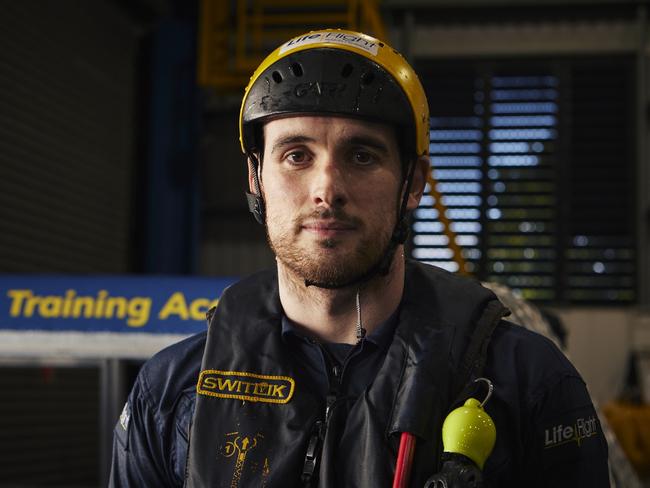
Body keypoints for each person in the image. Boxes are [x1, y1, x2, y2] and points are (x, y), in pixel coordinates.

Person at [110, 29, 610, 487]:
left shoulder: (529, 383)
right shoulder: (171, 392)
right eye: (296, 155)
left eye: (362, 155)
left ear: (412, 183)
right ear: (255, 179)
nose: (326, 189)